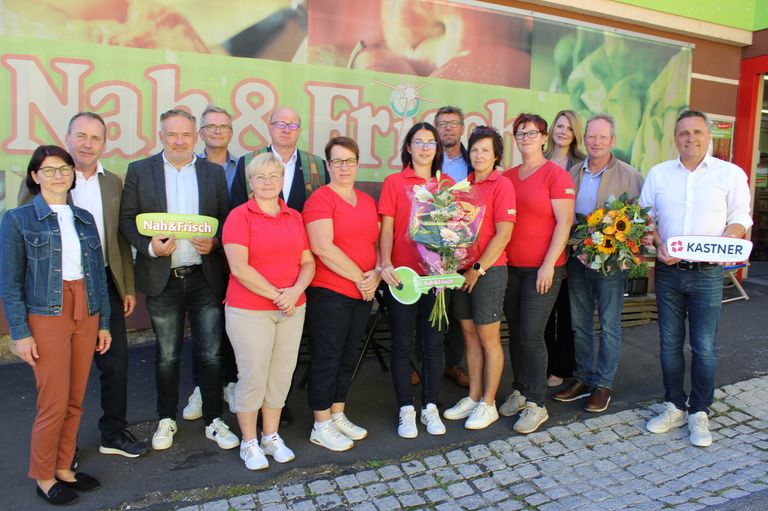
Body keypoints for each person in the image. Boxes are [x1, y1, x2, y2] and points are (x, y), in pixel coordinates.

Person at [16, 113, 147, 458]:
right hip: (58, 289)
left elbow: (119, 238)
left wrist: (128, 285)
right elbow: (26, 241)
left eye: (96, 138)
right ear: (68, 137)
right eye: (81, 136)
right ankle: (63, 447)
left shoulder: (112, 183)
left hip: (105, 281)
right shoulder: (49, 177)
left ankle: (113, 433)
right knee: (63, 376)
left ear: (104, 143)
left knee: (115, 363)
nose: (88, 144)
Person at [119, 109, 237, 452]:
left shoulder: (213, 174)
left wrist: (215, 242)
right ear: (161, 136)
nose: (180, 140)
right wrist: (149, 247)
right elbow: (127, 220)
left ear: (196, 136)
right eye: (173, 134)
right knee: (167, 355)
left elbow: (225, 219)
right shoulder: (141, 171)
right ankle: (166, 418)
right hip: (163, 278)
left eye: (186, 134)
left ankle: (214, 420)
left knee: (212, 354)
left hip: (204, 277)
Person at [0, 145, 111, 505]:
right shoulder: (18, 219)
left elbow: (97, 273)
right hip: (48, 313)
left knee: (76, 397)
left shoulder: (83, 218)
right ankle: (44, 475)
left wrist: (104, 323)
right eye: (49, 170)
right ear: (35, 176)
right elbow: (10, 281)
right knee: (53, 400)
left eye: (64, 168)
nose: (58, 175)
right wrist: (20, 332)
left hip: (87, 308)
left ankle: (64, 467)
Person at [641, 110, 752, 447]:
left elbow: (740, 217)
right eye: (684, 133)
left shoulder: (729, 174)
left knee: (703, 346)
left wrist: (728, 240)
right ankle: (674, 404)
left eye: (697, 132)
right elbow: (646, 216)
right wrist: (657, 242)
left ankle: (699, 411)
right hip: (669, 272)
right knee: (669, 343)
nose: (691, 138)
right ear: (675, 138)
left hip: (707, 273)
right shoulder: (660, 174)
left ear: (709, 135)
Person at [222, 152, 315, 470]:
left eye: (273, 176)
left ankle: (270, 436)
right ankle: (248, 442)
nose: (267, 182)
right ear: (250, 182)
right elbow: (239, 267)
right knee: (253, 376)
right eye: (260, 177)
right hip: (250, 310)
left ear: (282, 180)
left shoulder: (294, 217)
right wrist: (279, 295)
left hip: (292, 308)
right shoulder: (239, 216)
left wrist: (295, 292)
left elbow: (308, 262)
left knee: (280, 375)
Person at [553, 114, 644, 413]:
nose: (596, 142)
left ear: (613, 141)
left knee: (608, 325)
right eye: (591, 136)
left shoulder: (630, 175)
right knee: (579, 325)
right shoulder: (574, 172)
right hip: (578, 261)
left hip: (611, 266)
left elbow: (641, 221)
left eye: (602, 137)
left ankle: (603, 384)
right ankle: (582, 378)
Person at [303, 136, 381, 452]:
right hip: (331, 292)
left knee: (349, 355)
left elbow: (374, 245)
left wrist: (374, 275)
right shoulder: (320, 199)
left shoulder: (365, 200)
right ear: (327, 165)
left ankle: (337, 412)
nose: (344, 167)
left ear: (357, 163)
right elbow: (322, 246)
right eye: (337, 161)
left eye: (349, 160)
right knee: (327, 356)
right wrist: (361, 280)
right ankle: (320, 423)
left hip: (362, 292)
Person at [500, 113, 575, 434]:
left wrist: (548, 263)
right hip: (510, 267)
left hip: (543, 269)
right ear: (514, 139)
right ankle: (520, 389)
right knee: (516, 333)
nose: (526, 138)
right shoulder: (508, 177)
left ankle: (537, 403)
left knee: (532, 334)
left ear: (544, 138)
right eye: (520, 133)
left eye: (532, 133)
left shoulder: (556, 176)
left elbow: (565, 222)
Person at [379, 122, 452, 439]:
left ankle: (430, 406)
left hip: (436, 279)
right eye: (418, 142)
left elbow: (457, 231)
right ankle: (406, 409)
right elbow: (386, 228)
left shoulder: (448, 184)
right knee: (402, 344)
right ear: (408, 147)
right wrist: (385, 263)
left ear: (438, 148)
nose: (424, 147)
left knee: (434, 345)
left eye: (431, 142)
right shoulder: (395, 182)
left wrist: (449, 263)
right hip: (403, 276)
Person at [443, 126, 515, 430]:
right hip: (462, 271)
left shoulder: (503, 185)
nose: (479, 155)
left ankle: (489, 403)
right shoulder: (462, 187)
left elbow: (504, 233)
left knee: (488, 339)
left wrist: (478, 268)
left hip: (489, 271)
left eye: (485, 150)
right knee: (469, 336)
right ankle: (473, 396)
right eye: (474, 150)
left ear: (496, 154)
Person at [183, 105, 240, 422]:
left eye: (223, 126)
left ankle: (230, 382)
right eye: (211, 127)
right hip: (200, 257)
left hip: (237, 258)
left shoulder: (242, 167)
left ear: (231, 132)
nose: (217, 131)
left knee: (233, 323)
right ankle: (201, 387)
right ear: (200, 133)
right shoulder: (190, 167)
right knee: (204, 327)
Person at [541, 109, 586, 387]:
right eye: (559, 126)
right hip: (542, 244)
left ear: (575, 134)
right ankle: (544, 363)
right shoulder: (540, 160)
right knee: (544, 311)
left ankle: (562, 367)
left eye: (569, 128)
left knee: (566, 311)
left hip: (572, 246)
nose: (563, 132)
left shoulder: (581, 165)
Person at [230, 106, 329, 212]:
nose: (286, 130)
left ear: (299, 131)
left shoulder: (317, 166)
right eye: (280, 124)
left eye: (293, 126)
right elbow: (237, 208)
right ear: (269, 127)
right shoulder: (248, 162)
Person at [435, 105, 470, 389]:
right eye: (442, 124)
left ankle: (453, 363)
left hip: (465, 247)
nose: (447, 128)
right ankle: (425, 364)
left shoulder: (474, 161)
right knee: (430, 306)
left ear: (462, 128)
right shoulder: (426, 158)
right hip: (430, 247)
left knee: (459, 310)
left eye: (453, 123)